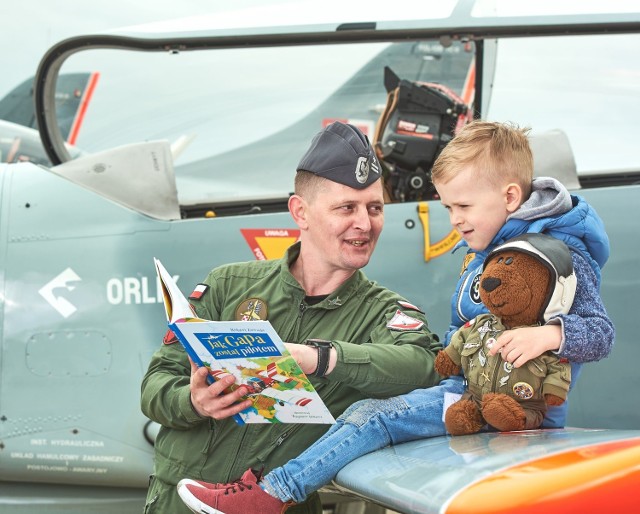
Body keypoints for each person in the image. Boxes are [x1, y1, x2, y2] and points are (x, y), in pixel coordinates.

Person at [177, 120, 615, 514]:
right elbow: (464, 335)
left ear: (510, 197)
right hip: (467, 394)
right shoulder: (489, 250)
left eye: (462, 207)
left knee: (373, 416)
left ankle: (270, 496)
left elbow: (600, 333)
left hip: (517, 405)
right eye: (447, 209)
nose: (455, 221)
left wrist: (550, 335)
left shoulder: (559, 254)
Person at [140, 121, 444, 514]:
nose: (365, 224)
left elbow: (425, 366)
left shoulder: (384, 314)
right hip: (176, 501)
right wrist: (194, 401)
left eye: (374, 208)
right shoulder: (229, 285)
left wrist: (320, 358)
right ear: (300, 211)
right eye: (346, 208)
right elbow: (155, 385)